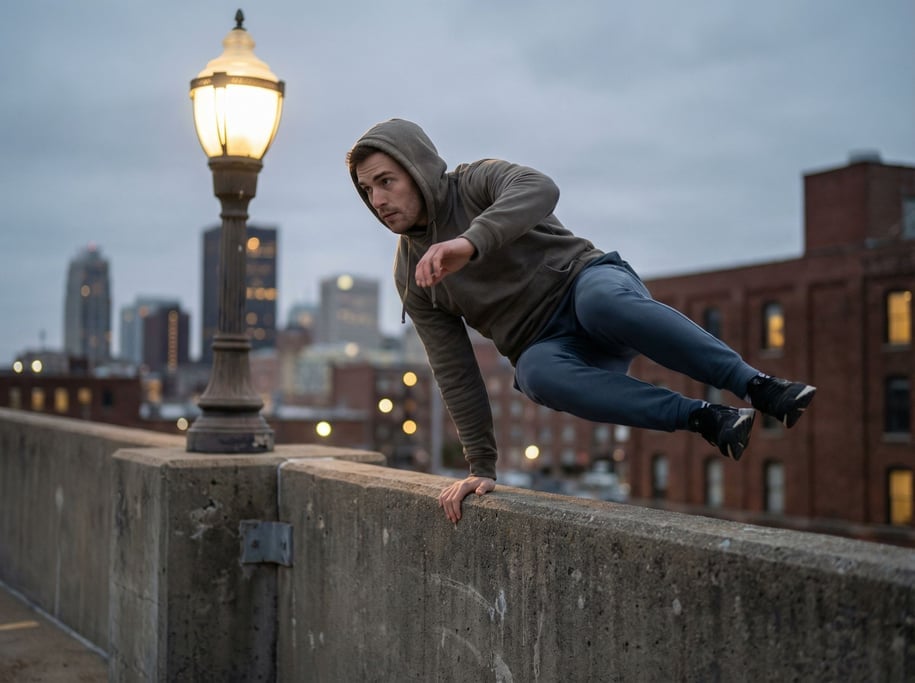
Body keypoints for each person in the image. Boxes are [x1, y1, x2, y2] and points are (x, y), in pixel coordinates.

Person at [347, 118, 816, 523]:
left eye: (387, 181)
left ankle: (758, 386)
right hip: (547, 344)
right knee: (534, 375)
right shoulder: (413, 276)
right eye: (368, 190)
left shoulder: (474, 182)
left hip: (584, 283)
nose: (378, 200)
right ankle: (708, 418)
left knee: (601, 303)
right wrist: (481, 467)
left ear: (417, 169)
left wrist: (469, 244)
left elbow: (540, 189)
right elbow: (455, 371)